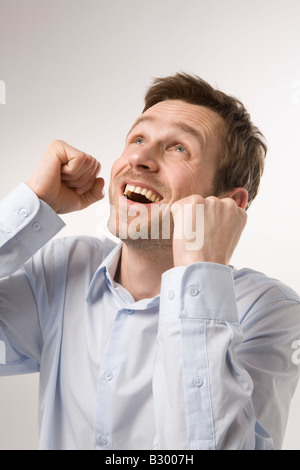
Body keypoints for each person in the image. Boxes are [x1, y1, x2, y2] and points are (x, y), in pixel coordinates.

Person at [0, 73, 299, 450]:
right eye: (138, 139)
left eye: (179, 148)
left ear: (229, 204)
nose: (139, 158)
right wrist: (32, 205)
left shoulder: (270, 311)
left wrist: (200, 274)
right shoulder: (63, 268)